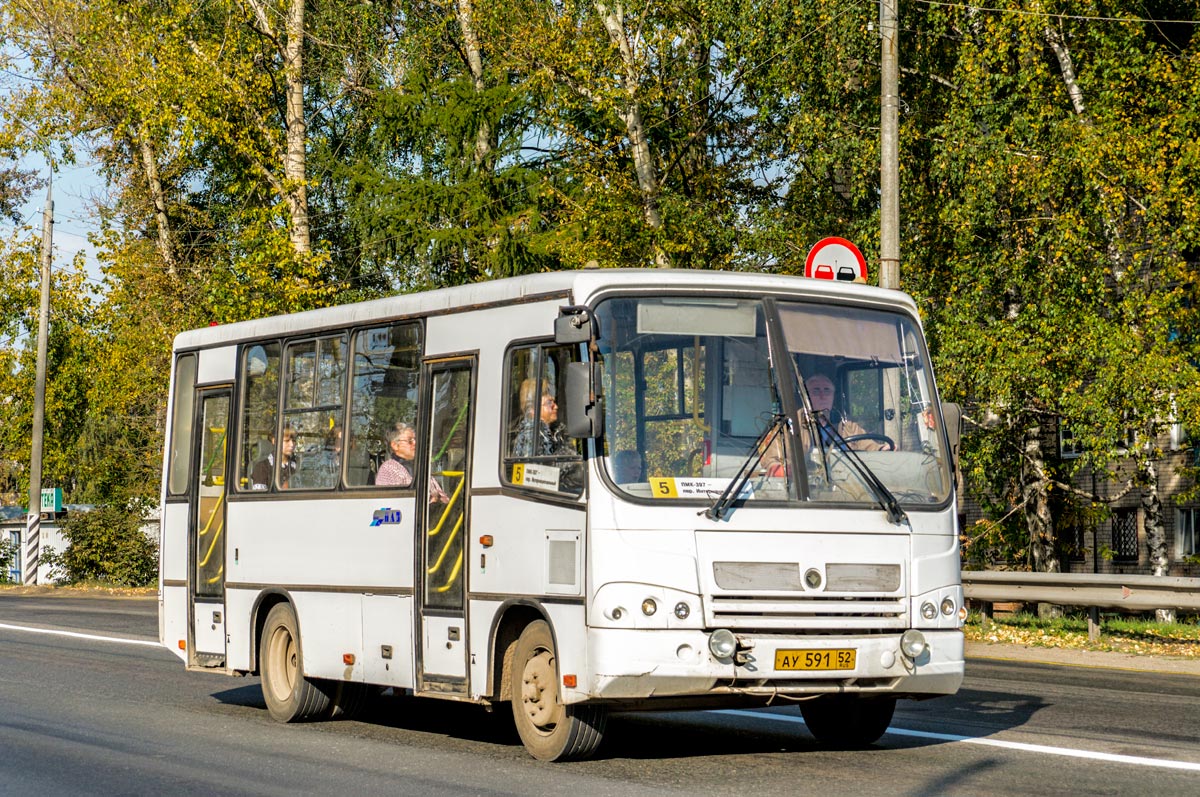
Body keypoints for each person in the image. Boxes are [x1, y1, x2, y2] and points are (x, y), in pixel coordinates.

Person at [800, 373, 888, 452]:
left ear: (833, 396)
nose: (822, 396)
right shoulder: (794, 425)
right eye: (816, 391)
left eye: (827, 391)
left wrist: (881, 449)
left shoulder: (847, 426)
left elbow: (868, 445)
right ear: (805, 396)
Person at [376, 422, 449, 502]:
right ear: (395, 445)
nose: (415, 443)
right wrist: (431, 499)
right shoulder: (389, 469)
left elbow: (444, 499)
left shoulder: (420, 467)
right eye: (410, 441)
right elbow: (396, 502)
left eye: (415, 439)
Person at [251, 424, 299, 490]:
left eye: (293, 441)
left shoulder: (298, 465)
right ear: (274, 441)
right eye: (287, 441)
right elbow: (260, 498)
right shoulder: (262, 467)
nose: (292, 445)